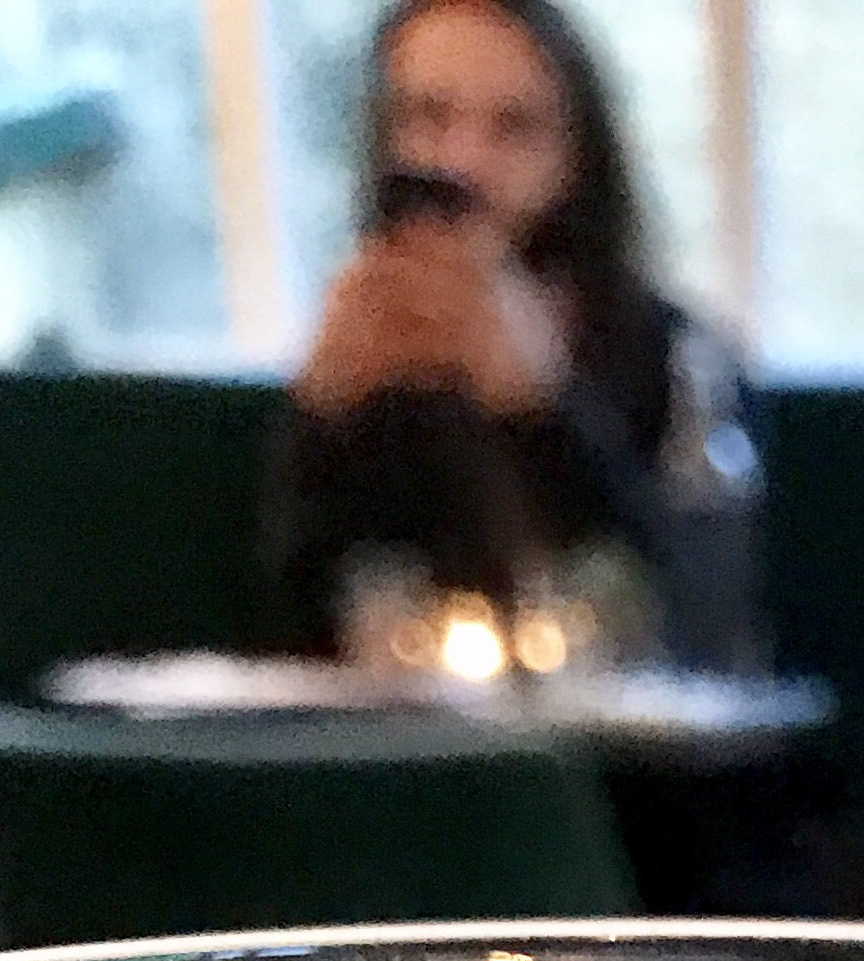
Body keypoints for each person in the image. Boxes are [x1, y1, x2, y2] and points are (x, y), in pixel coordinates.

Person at [267, 0, 761, 671]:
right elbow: (286, 628)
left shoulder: (678, 360)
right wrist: (319, 418)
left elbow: (699, 618)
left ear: (577, 155)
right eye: (428, 118)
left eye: (515, 128)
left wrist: (543, 405)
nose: (462, 163)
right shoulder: (362, 356)